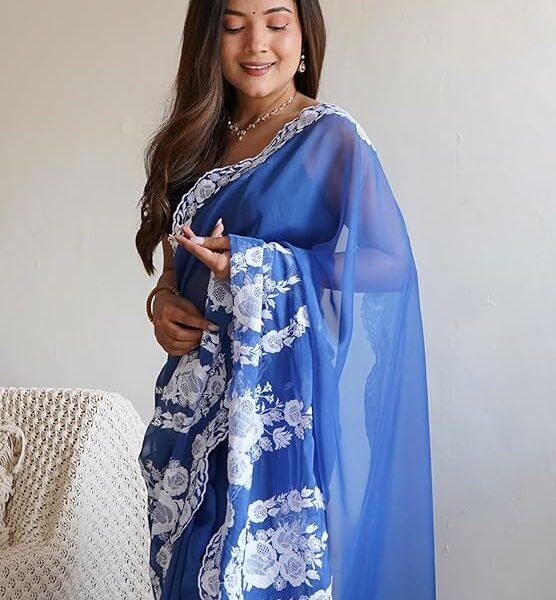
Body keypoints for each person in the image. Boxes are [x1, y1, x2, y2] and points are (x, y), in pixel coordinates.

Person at [135, 1, 436, 599]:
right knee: (185, 574)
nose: (256, 44)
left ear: (304, 37)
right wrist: (162, 301)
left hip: (274, 400)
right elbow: (177, 251)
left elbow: (391, 262)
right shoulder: (194, 135)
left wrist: (258, 263)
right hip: (191, 401)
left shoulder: (329, 137)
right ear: (208, 38)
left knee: (258, 574)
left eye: (276, 24)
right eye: (234, 25)